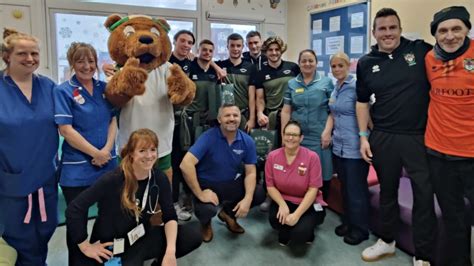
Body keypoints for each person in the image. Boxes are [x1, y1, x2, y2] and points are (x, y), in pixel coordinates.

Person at [356, 8, 436, 265]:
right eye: (382, 28)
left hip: (418, 137)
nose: (387, 33)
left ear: (400, 29)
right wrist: (363, 137)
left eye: (392, 27)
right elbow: (361, 102)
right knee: (387, 192)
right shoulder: (366, 63)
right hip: (384, 136)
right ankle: (387, 242)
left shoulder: (421, 50)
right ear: (374, 32)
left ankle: (422, 254)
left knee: (424, 195)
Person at [66, 128, 202, 265]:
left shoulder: (158, 178)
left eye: (153, 149)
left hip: (140, 238)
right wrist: (85, 246)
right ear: (131, 153)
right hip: (111, 245)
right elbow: (74, 209)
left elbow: (170, 216)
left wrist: (170, 252)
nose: (149, 156)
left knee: (193, 235)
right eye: (142, 151)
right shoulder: (113, 179)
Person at [53, 42, 118, 264]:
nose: (87, 66)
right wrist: (95, 153)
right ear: (72, 63)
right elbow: (66, 130)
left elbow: (113, 120)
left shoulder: (104, 88)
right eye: (80, 61)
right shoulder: (62, 91)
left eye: (91, 60)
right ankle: (79, 260)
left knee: (109, 215)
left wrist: (107, 149)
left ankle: (102, 256)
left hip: (108, 162)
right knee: (76, 218)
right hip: (77, 167)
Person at [0, 28, 59, 265]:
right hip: (12, 180)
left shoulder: (49, 87)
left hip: (45, 177)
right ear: (7, 56)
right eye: (22, 53)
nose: (30, 59)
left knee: (46, 230)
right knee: (19, 238)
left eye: (34, 53)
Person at [425, 6, 473, 266]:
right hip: (438, 154)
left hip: (471, 155)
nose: (450, 36)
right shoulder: (429, 58)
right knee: (454, 220)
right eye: (443, 31)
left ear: (467, 29)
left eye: (456, 29)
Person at [180, 104, 265, 242]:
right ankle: (206, 224)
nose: (232, 119)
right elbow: (186, 164)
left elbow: (250, 172)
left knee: (259, 193)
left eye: (235, 115)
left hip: (231, 183)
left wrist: (248, 198)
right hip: (207, 186)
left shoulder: (247, 141)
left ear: (240, 119)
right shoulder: (208, 137)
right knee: (207, 210)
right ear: (219, 119)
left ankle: (228, 214)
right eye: (227, 115)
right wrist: (200, 194)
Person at [281, 49, 334, 199]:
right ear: (299, 64)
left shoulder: (326, 82)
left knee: (323, 173)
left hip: (320, 136)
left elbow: (333, 110)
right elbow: (286, 111)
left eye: (311, 60)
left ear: (316, 63)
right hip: (298, 138)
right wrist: (284, 136)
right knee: (300, 172)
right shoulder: (292, 83)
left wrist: (328, 132)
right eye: (303, 61)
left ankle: (321, 207)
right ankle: (301, 204)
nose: (307, 63)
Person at [328, 52, 370, 245]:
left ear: (348, 66)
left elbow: (368, 117)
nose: (337, 69)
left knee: (356, 191)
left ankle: (360, 229)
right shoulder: (336, 88)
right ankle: (348, 222)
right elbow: (334, 114)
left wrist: (369, 141)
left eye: (340, 66)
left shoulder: (356, 87)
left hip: (355, 147)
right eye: (334, 66)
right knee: (346, 189)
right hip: (338, 147)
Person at [265, 120, 326, 246]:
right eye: (287, 134)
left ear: (301, 138)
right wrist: (282, 204)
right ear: (283, 135)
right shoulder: (272, 156)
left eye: (294, 135)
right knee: (275, 221)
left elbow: (313, 190)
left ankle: (305, 231)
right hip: (283, 199)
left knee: (300, 234)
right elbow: (270, 187)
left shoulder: (312, 157)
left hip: (306, 202)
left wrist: (296, 215)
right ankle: (285, 230)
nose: (290, 138)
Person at [255, 36, 299, 135]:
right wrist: (260, 113)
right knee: (274, 148)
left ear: (281, 50)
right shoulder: (260, 73)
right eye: (270, 50)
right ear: (265, 52)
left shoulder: (293, 67)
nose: (274, 53)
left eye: (277, 49)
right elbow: (260, 98)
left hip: (292, 115)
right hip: (272, 117)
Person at [216, 33, 258, 132]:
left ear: (243, 47)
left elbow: (252, 96)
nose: (235, 49)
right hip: (225, 115)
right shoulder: (221, 65)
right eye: (232, 45)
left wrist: (252, 119)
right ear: (227, 47)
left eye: (238, 46)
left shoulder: (250, 67)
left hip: (244, 115)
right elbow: (207, 61)